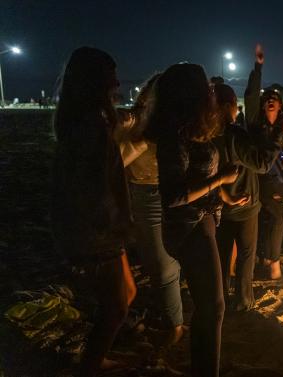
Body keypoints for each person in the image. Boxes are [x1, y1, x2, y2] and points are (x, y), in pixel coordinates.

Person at [145, 63, 237, 377]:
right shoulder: (175, 135)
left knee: (211, 307)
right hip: (190, 226)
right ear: (192, 92)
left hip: (200, 223)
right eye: (206, 87)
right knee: (213, 308)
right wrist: (219, 180)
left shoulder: (189, 128)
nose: (211, 91)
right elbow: (173, 195)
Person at [51, 47, 137, 376]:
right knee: (116, 306)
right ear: (96, 80)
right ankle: (90, 365)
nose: (117, 80)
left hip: (97, 229)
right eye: (111, 73)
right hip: (96, 232)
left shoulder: (88, 121)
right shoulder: (89, 128)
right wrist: (117, 224)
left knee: (127, 293)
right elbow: (92, 187)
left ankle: (95, 357)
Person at [113, 73, 186, 345]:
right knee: (156, 263)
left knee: (165, 264)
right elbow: (116, 161)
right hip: (142, 194)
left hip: (168, 193)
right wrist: (139, 136)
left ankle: (175, 325)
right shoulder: (132, 120)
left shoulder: (175, 121)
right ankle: (172, 318)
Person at [212, 72, 283, 311]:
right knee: (245, 255)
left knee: (222, 255)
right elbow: (262, 164)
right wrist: (278, 135)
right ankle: (244, 301)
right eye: (235, 104)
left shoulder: (206, 134)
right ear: (228, 106)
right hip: (245, 204)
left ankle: (220, 299)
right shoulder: (235, 135)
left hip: (219, 204)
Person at [245, 44, 283, 280]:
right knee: (279, 219)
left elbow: (282, 154)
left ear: (281, 105)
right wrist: (258, 67)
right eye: (268, 99)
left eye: (276, 99)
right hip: (261, 179)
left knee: (271, 220)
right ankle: (274, 262)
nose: (272, 101)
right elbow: (251, 96)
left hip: (281, 181)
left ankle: (265, 258)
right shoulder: (255, 124)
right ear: (264, 106)